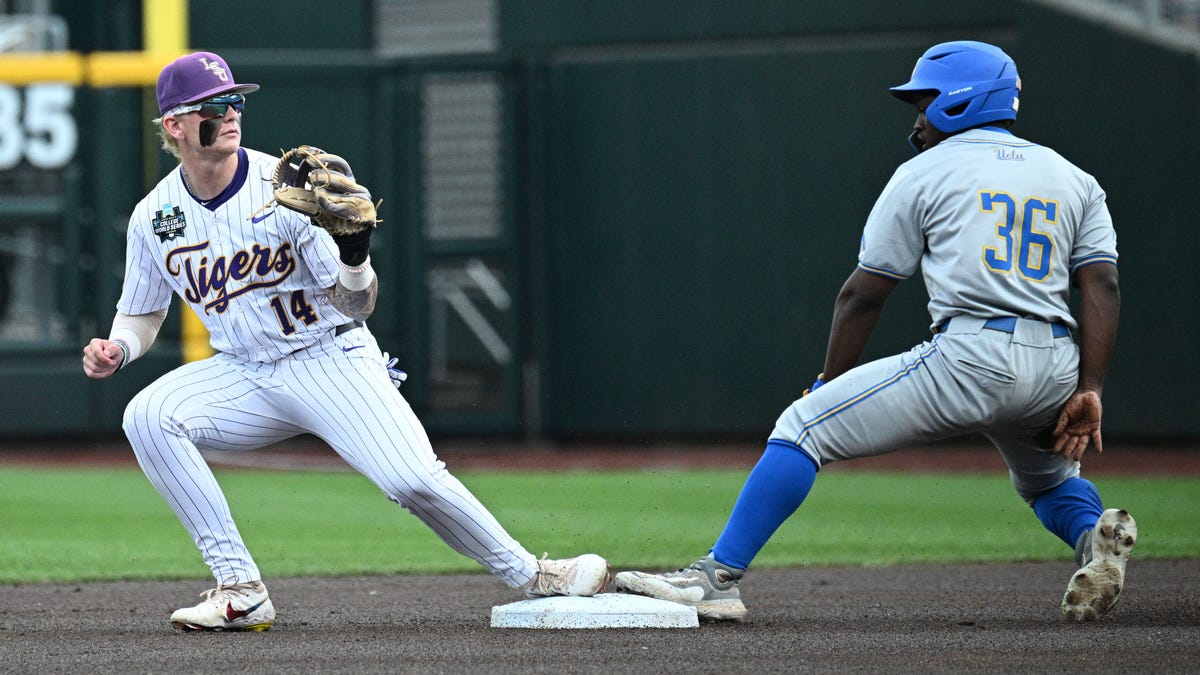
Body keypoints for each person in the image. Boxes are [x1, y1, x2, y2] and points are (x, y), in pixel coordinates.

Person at [81, 51, 608, 632]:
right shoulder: (154, 216)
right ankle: (240, 588)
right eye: (215, 105)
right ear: (175, 125)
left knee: (411, 480)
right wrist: (119, 347)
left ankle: (535, 573)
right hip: (243, 370)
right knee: (148, 415)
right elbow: (142, 313)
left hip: (329, 355)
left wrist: (355, 256)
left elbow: (356, 305)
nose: (232, 112)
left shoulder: (284, 190)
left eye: (236, 101)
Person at [615, 41, 1135, 622]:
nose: (917, 118)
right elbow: (1102, 286)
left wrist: (829, 383)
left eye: (925, 102)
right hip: (1057, 363)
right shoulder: (1075, 178)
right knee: (1048, 482)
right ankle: (1092, 542)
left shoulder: (924, 172)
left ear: (962, 99)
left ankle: (716, 578)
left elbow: (863, 295)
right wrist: (1091, 387)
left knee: (802, 426)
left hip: (972, 354)